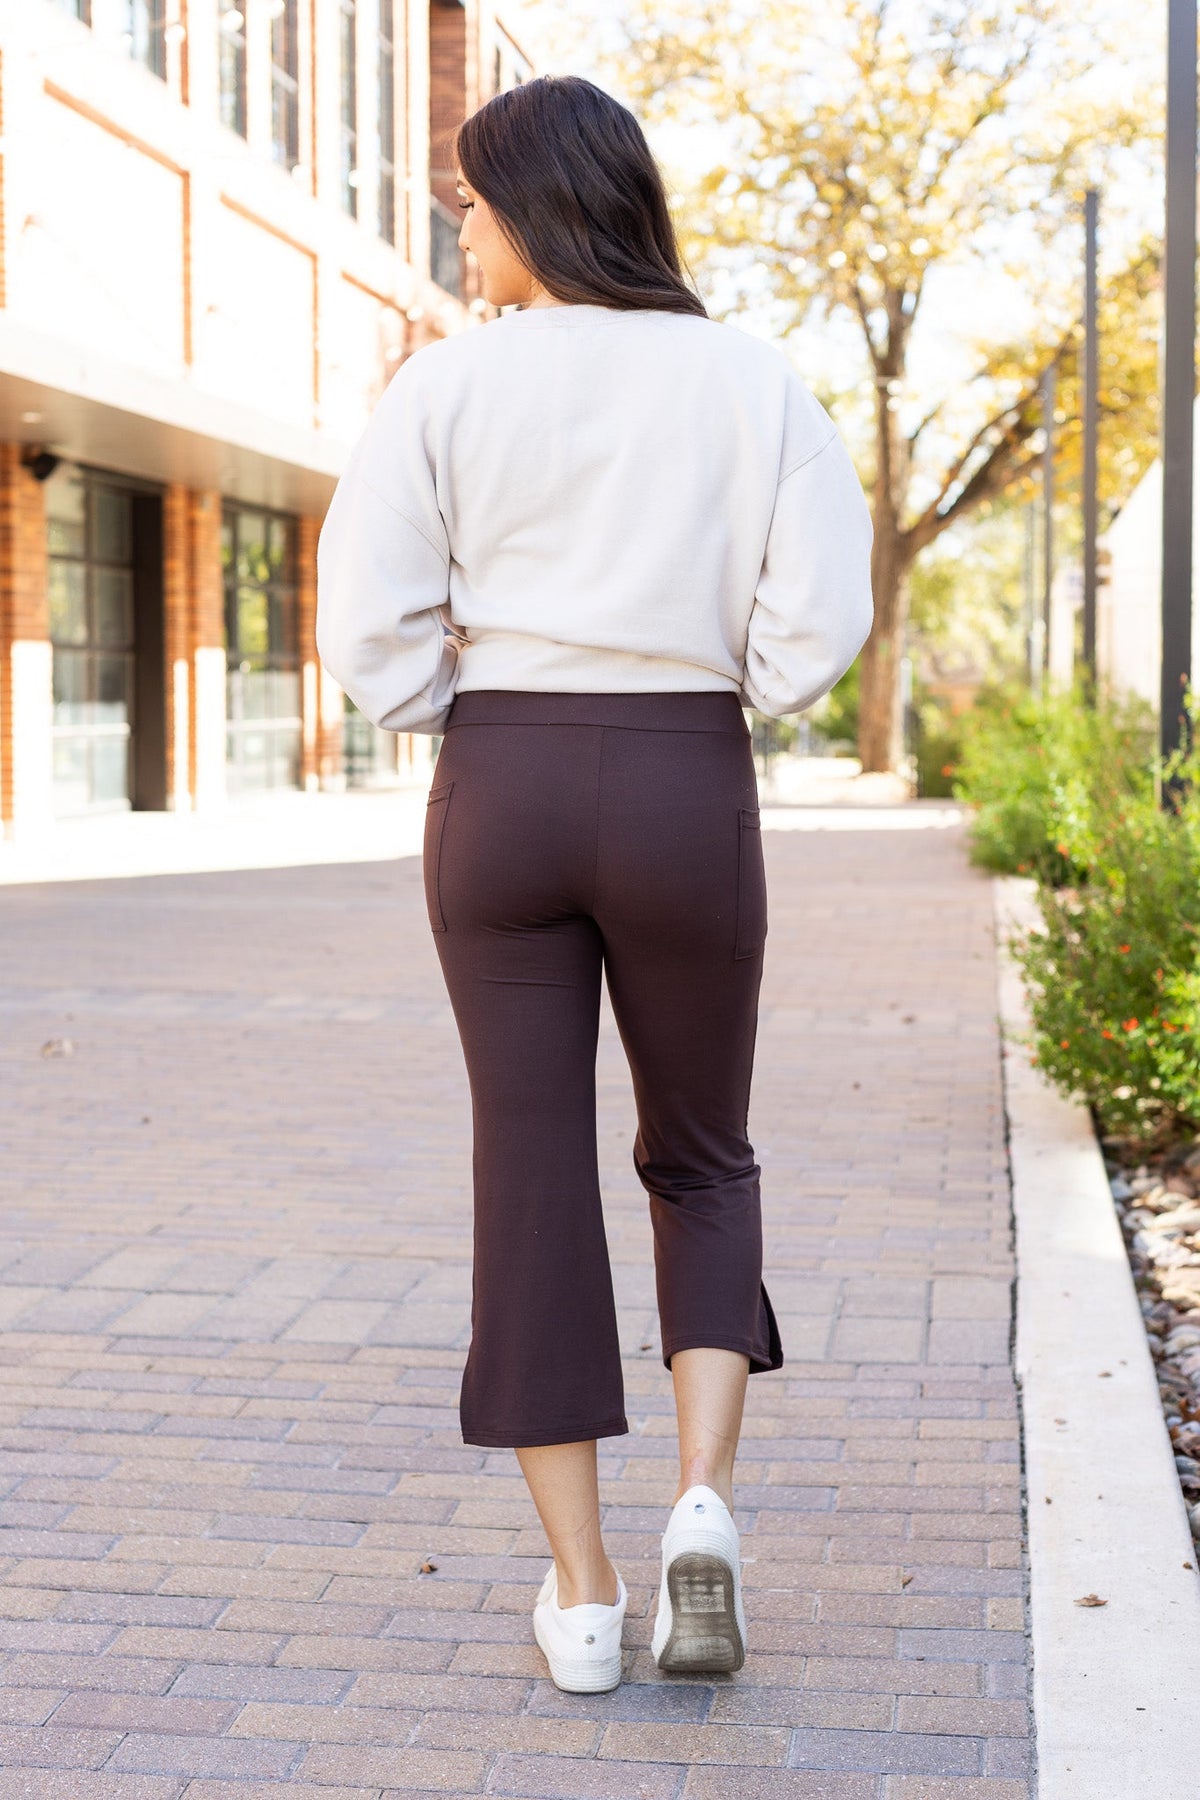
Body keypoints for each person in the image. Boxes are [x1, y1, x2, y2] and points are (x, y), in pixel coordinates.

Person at [315, 73, 873, 1695]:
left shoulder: (441, 389)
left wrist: (458, 702)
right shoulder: (755, 384)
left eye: (475, 203)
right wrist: (727, 678)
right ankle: (705, 1498)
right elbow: (811, 625)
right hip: (688, 773)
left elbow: (371, 627)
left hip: (505, 786)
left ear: (544, 206)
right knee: (702, 1154)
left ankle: (582, 1596)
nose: (462, 229)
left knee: (532, 1169)